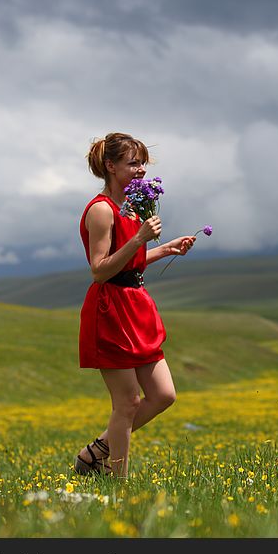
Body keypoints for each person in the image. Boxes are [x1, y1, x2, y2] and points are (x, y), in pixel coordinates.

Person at [74, 132, 195, 478]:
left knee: (163, 394)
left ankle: (95, 453)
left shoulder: (132, 205)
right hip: (109, 309)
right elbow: (100, 271)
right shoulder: (101, 210)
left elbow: (129, 262)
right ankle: (119, 482)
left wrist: (164, 248)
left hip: (135, 306)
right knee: (126, 403)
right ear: (110, 166)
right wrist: (141, 238)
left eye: (142, 162)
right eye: (133, 163)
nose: (141, 169)